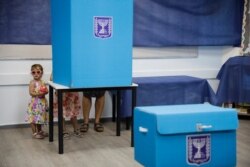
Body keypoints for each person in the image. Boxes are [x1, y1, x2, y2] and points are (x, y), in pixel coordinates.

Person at [51, 74, 83, 139]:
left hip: (72, 92)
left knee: (73, 111)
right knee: (61, 112)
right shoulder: (58, 66)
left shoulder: (73, 66)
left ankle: (76, 129)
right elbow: (52, 78)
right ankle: (63, 131)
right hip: (61, 92)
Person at [26, 64, 48, 139]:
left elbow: (46, 90)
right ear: (31, 73)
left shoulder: (42, 82)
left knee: (39, 118)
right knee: (33, 118)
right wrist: (39, 93)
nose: (36, 74)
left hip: (41, 103)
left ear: (42, 73)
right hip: (34, 104)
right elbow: (31, 92)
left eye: (38, 72)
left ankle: (40, 131)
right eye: (33, 72)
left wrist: (45, 92)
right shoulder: (32, 82)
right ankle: (34, 133)